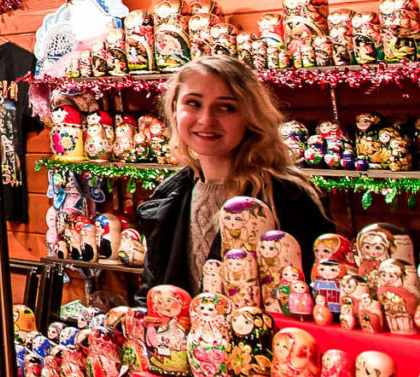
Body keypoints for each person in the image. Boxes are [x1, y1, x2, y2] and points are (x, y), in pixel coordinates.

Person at [135, 54, 333, 297]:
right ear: (175, 109)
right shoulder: (169, 198)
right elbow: (151, 295)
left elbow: (318, 295)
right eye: (193, 103)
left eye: (226, 107)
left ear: (250, 115)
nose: (206, 119)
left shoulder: (288, 197)